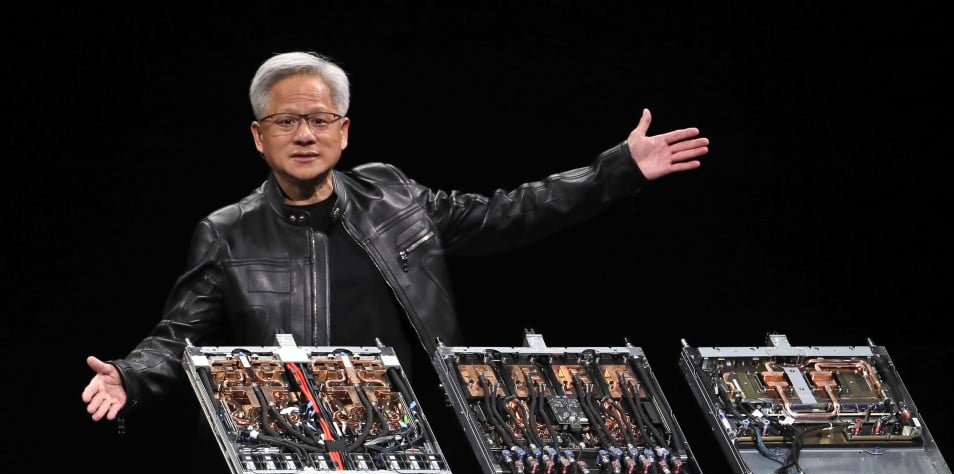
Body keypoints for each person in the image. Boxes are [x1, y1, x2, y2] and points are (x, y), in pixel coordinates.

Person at [82, 50, 709, 424]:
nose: (305, 134)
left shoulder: (394, 194)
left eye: (320, 119)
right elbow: (179, 335)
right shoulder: (227, 233)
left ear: (345, 130)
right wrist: (129, 378)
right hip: (314, 438)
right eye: (287, 120)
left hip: (429, 427)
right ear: (258, 135)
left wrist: (616, 170)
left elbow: (508, 214)